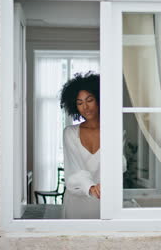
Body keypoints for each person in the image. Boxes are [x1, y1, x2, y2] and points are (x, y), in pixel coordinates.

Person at [59, 72, 102, 219]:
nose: (85, 107)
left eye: (89, 100)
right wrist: (90, 188)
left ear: (98, 99)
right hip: (76, 204)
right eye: (79, 103)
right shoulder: (70, 133)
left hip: (103, 203)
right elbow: (73, 170)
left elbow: (119, 165)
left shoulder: (114, 131)